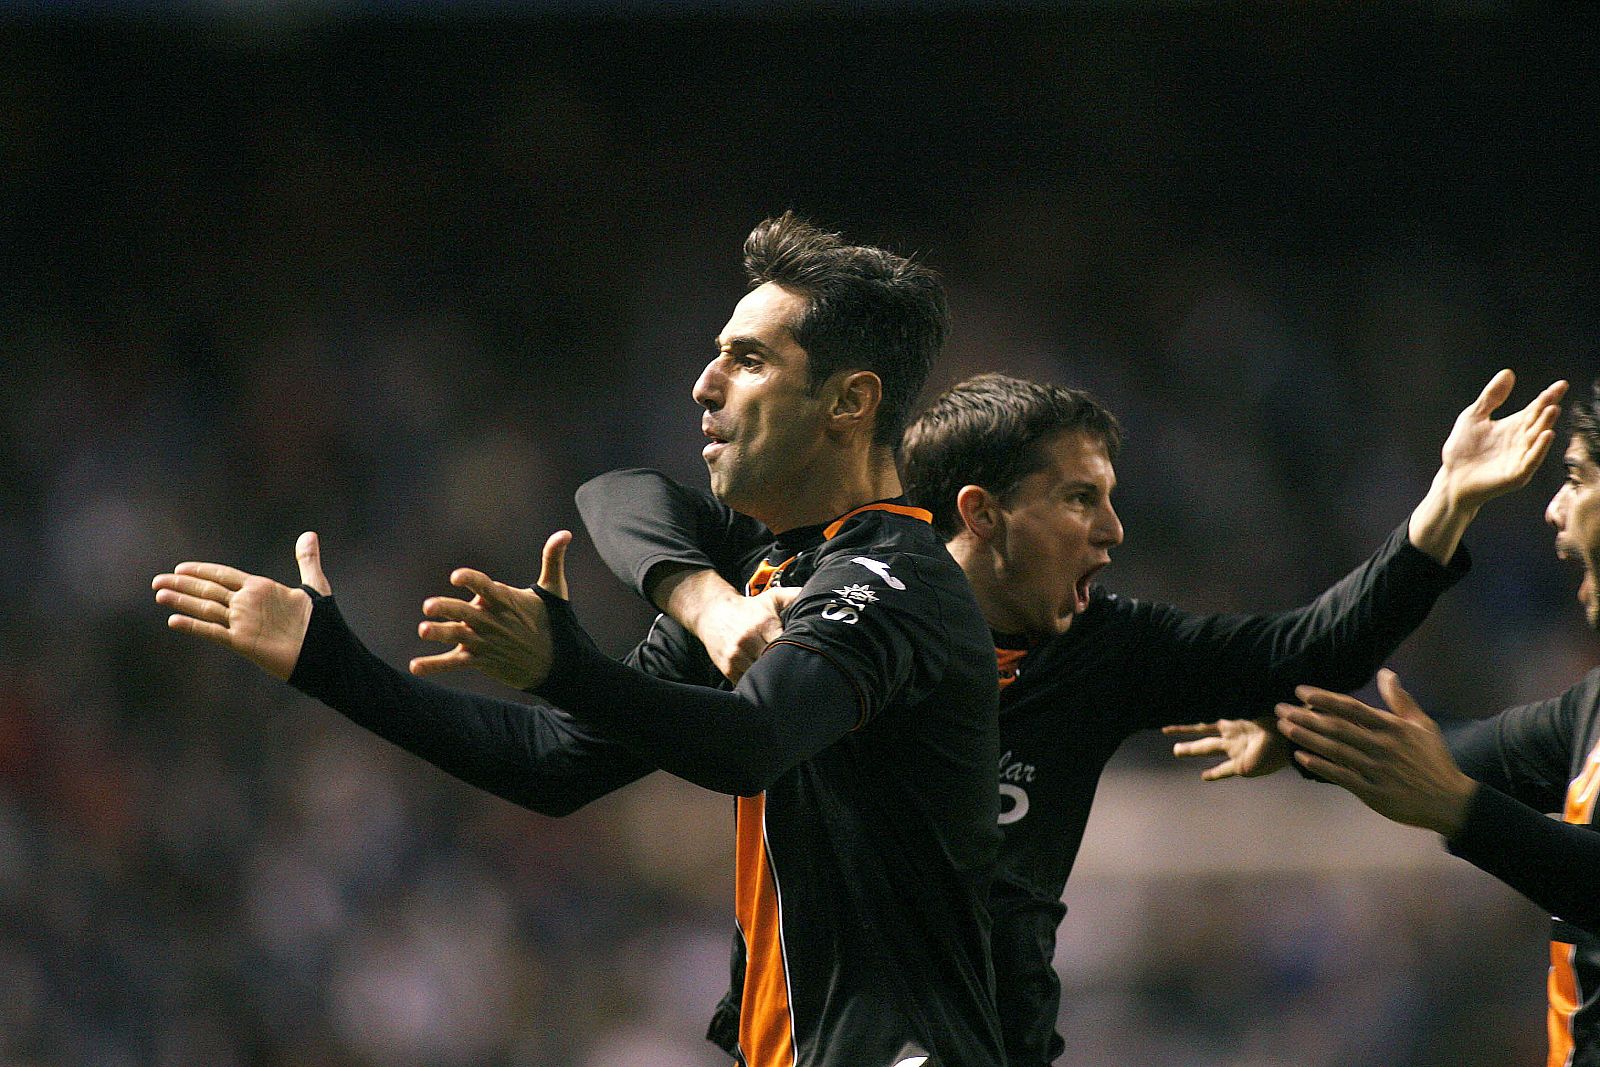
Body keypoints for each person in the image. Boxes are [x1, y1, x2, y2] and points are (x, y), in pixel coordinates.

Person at [152, 213, 1006, 1067]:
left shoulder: (899, 580)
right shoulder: (761, 570)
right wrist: (331, 665)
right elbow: (564, 733)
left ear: (851, 402)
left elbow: (754, 742)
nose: (705, 384)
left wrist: (567, 667)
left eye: (749, 359)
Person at [576, 368, 1567, 1066]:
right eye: (1080, 497)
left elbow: (1301, 654)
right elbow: (617, 495)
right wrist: (689, 605)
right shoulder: (826, 611)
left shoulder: (1103, 651)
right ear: (982, 511)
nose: (1113, 528)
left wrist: (1443, 506)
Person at [1274, 376, 1600, 1067]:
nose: (1554, 509)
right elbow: (1453, 751)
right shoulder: (1591, 705)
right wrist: (1294, 738)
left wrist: (1460, 810)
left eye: (1575, 477)